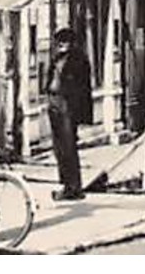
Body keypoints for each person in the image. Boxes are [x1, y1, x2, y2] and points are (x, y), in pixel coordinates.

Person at [45, 28, 93, 202]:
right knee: (59, 148)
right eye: (59, 42)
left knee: (68, 146)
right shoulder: (56, 59)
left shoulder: (78, 60)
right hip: (54, 103)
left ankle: (74, 187)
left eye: (64, 42)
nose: (61, 45)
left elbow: (83, 89)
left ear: (72, 43)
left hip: (68, 105)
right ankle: (66, 184)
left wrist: (79, 113)